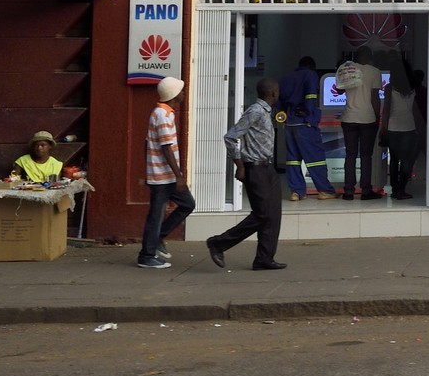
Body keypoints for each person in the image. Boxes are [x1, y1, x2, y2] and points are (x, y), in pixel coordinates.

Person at [206, 78, 286, 271]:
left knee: (273, 215)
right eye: (278, 90)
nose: (279, 93)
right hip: (255, 168)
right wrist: (239, 165)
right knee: (263, 214)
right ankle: (219, 243)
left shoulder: (267, 112)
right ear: (273, 93)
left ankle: (264, 258)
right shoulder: (256, 111)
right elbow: (231, 136)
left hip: (268, 168)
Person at [138, 77, 195, 270]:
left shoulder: (165, 114)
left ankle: (159, 237)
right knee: (156, 214)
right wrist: (178, 176)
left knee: (187, 204)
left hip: (163, 175)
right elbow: (166, 148)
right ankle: (146, 255)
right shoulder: (162, 115)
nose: (184, 93)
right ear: (173, 95)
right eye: (181, 90)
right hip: (163, 176)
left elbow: (147, 143)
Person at [277, 56, 337, 201]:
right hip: (305, 123)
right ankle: (325, 190)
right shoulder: (310, 75)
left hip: (290, 124)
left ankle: (296, 192)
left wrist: (284, 116)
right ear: (312, 66)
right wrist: (311, 119)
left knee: (293, 160)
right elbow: (310, 97)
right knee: (316, 158)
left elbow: (279, 102)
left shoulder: (286, 78)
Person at [334, 46, 385, 199]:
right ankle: (365, 190)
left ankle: (348, 191)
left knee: (350, 155)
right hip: (368, 119)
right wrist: (377, 117)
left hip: (349, 118)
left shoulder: (346, 69)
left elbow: (339, 90)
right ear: (369, 57)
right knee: (365, 156)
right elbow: (374, 97)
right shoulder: (374, 72)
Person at [380, 64, 424, 200]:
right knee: (406, 162)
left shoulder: (389, 88)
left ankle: (394, 190)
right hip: (409, 128)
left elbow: (386, 110)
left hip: (393, 128)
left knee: (394, 160)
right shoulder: (412, 89)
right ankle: (401, 189)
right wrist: (418, 127)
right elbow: (415, 111)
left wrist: (383, 128)